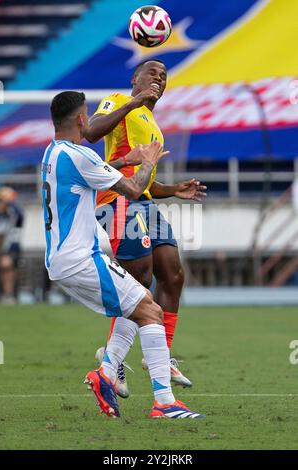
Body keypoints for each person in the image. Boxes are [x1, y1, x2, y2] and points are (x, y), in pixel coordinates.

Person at [42, 90, 205, 419]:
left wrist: (124, 161)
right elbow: (132, 189)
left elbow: (90, 171)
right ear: (81, 119)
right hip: (81, 260)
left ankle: (107, 371)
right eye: (86, 113)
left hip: (61, 261)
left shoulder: (54, 153)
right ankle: (163, 402)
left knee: (140, 303)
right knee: (151, 311)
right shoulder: (80, 155)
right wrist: (146, 163)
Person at [85, 59, 207, 396]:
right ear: (134, 79)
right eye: (152, 72)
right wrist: (133, 101)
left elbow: (147, 181)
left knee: (173, 273)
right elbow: (91, 133)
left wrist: (173, 190)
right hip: (118, 199)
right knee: (138, 280)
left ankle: (162, 355)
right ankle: (113, 361)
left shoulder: (153, 123)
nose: (159, 78)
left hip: (144, 202)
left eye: (164, 75)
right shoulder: (117, 102)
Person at [0, 186, 24, 304]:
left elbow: (19, 215)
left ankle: (8, 295)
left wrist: (9, 203)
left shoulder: (14, 214)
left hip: (10, 249)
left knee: (6, 264)